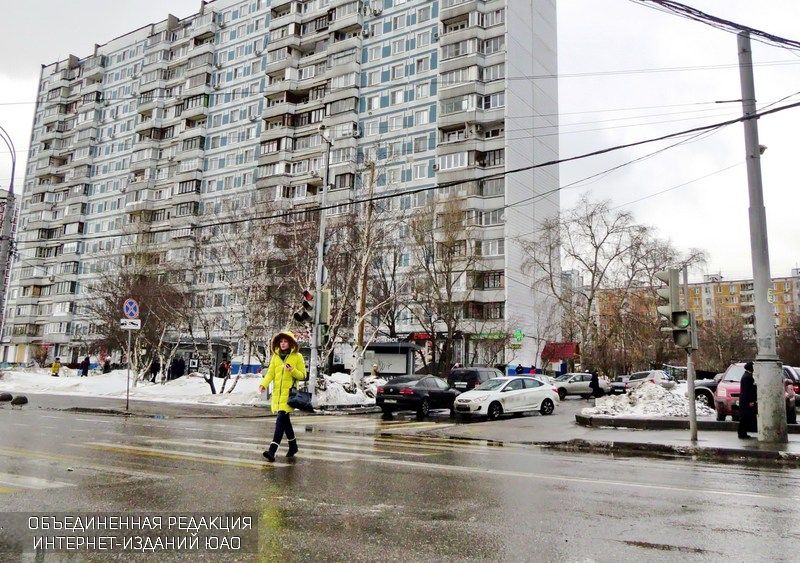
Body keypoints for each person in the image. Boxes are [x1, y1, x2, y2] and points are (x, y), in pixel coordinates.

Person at [258, 330, 307, 462]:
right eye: (281, 341)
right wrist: (263, 384)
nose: (283, 344)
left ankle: (272, 451)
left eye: (285, 341)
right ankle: (293, 446)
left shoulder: (297, 356)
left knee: (280, 421)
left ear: (290, 343)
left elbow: (303, 375)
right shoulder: (275, 357)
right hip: (277, 395)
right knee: (285, 422)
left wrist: (292, 370)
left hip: (289, 395)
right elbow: (270, 373)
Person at [738, 362, 757, 439]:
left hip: (744, 400)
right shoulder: (748, 377)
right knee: (745, 417)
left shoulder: (746, 376)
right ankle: (742, 433)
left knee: (744, 417)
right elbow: (748, 391)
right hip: (746, 400)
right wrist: (751, 401)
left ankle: (743, 433)